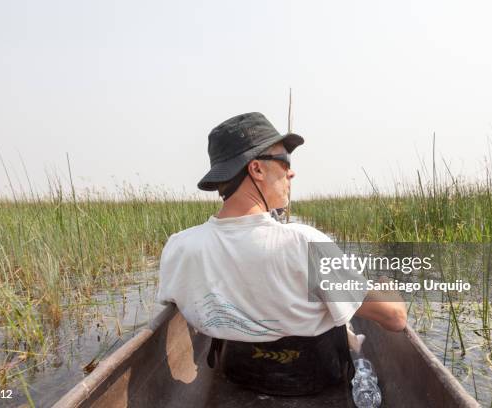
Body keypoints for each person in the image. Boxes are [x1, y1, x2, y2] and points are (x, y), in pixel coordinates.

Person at [157, 112, 406, 395]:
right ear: (256, 170)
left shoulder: (179, 246)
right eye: (284, 161)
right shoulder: (305, 242)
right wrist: (388, 287)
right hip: (314, 383)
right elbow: (395, 318)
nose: (291, 172)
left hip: (236, 377)